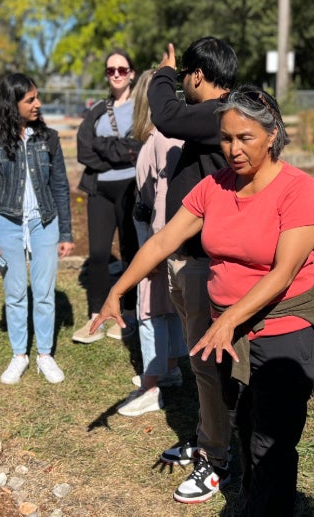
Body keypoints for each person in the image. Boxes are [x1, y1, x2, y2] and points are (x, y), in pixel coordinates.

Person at [94, 86, 314, 513]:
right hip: (229, 329)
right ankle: (254, 501)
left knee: (272, 440)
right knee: (245, 424)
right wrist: (117, 290)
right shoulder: (214, 187)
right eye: (226, 138)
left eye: (246, 138)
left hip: (283, 329)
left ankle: (266, 506)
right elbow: (164, 239)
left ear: (272, 133)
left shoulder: (298, 189)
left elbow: (283, 273)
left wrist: (226, 321)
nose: (233, 149)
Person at [146, 36, 239, 504]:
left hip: (205, 264)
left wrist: (162, 72)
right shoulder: (212, 120)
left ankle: (216, 459)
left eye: (184, 76)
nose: (180, 83)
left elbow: (165, 115)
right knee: (202, 364)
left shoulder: (220, 113)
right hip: (187, 259)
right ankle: (208, 438)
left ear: (197, 75)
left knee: (207, 366)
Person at [0, 73, 74, 385]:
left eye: (37, 97)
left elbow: (60, 186)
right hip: (6, 222)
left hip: (44, 221)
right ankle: (20, 354)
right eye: (30, 99)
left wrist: (66, 232)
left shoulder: (49, 138)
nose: (38, 104)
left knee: (44, 292)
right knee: (15, 291)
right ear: (12, 103)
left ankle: (45, 354)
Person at [115, 68, 189, 417]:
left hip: (157, 236)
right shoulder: (171, 138)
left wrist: (156, 242)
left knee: (150, 309)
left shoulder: (159, 139)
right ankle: (171, 368)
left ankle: (151, 385)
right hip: (170, 233)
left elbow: (156, 195)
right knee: (169, 305)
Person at [71, 50, 143, 344]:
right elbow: (83, 150)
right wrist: (118, 153)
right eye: (111, 70)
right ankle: (96, 315)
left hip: (130, 187)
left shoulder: (142, 109)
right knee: (99, 254)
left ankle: (128, 311)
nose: (116, 74)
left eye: (122, 69)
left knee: (131, 251)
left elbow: (139, 148)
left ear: (132, 73)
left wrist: (107, 148)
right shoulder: (97, 110)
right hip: (100, 188)